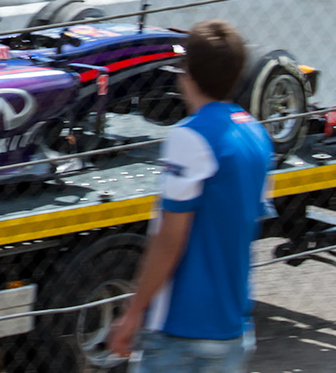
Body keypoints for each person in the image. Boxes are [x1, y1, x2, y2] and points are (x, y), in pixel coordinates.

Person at [105, 19, 273, 373]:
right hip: (232, 326)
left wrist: (133, 313)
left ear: (186, 74)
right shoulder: (257, 134)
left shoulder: (190, 137)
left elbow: (170, 239)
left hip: (181, 330)